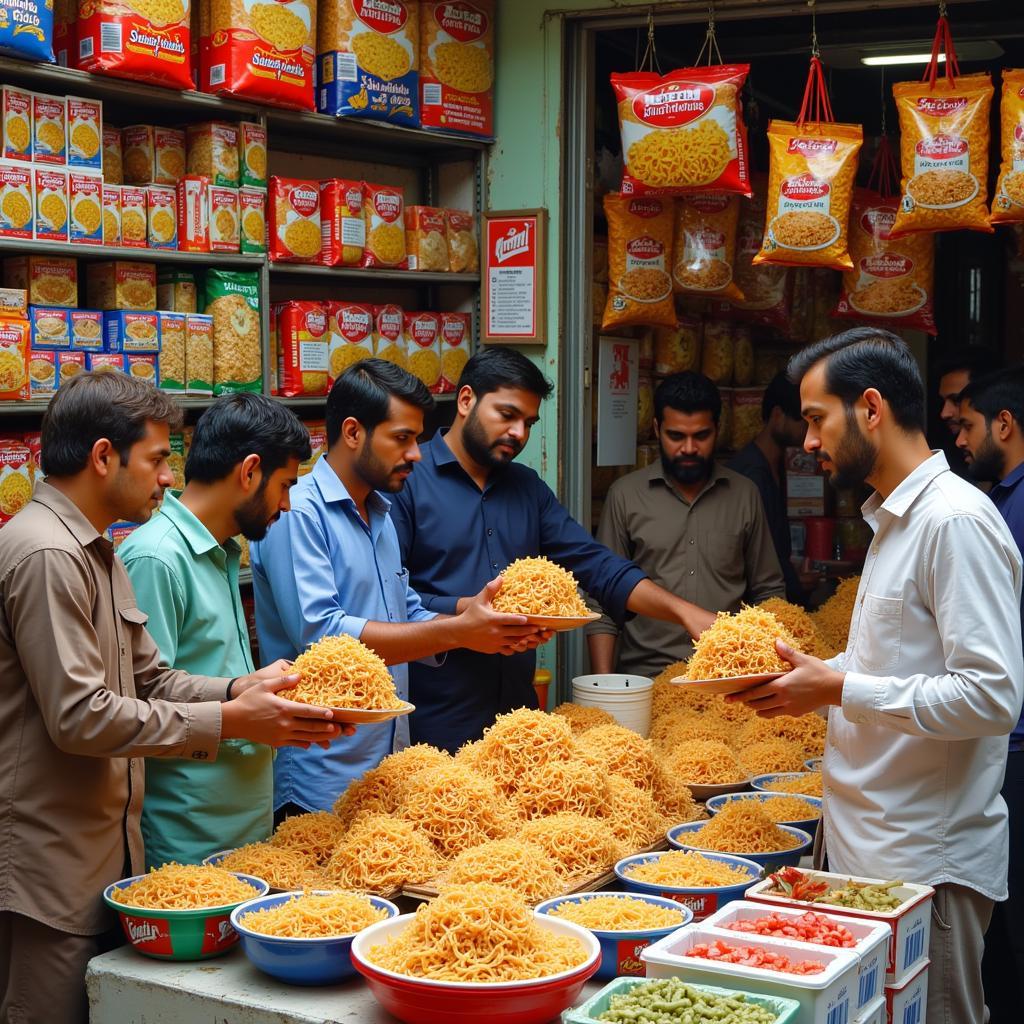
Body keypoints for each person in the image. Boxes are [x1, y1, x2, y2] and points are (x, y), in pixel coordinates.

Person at [0, 372, 344, 1024]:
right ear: (105, 457)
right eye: (158, 459)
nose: (167, 477)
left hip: (102, 861)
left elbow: (151, 679)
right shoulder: (47, 553)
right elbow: (79, 716)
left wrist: (243, 690)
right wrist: (228, 719)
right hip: (51, 874)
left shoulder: (97, 550)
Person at [730, 328, 1023, 1024]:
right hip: (871, 856)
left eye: (814, 419)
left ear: (869, 409)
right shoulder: (895, 522)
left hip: (927, 867)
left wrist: (836, 688)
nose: (807, 442)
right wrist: (811, 675)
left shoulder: (953, 522)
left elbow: (990, 696)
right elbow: (892, 666)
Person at [251, 359, 545, 815]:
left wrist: (482, 628)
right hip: (320, 777)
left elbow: (406, 610)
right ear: (353, 432)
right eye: (402, 438)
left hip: (387, 767)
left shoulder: (380, 512)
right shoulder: (298, 514)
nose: (416, 454)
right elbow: (323, 635)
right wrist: (457, 631)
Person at [390, 347, 716, 753]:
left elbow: (599, 566)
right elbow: (388, 603)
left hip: (519, 726)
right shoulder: (407, 483)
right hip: (433, 724)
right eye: (507, 415)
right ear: (466, 400)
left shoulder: (528, 489)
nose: (519, 434)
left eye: (528, 422)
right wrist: (463, 609)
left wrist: (684, 612)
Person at [120, 394, 315, 868]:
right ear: (249, 471)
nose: (287, 505)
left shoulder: (222, 551)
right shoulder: (157, 558)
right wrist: (240, 716)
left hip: (244, 831)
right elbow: (140, 705)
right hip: (187, 841)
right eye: (285, 486)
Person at [587, 372, 785, 678]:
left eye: (701, 436)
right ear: (656, 429)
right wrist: (604, 685)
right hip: (645, 678)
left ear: (717, 429)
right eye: (676, 436)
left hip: (727, 674)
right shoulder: (625, 495)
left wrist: (766, 670)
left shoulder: (745, 494)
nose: (689, 448)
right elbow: (602, 597)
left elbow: (769, 592)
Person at [955, 367, 1024, 1023]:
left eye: (969, 426)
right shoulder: (997, 498)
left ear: (1005, 424)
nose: (963, 440)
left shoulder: (998, 510)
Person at [729, 372, 814, 606]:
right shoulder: (751, 474)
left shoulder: (773, 465)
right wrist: (794, 585)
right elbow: (757, 554)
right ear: (778, 415)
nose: (807, 431)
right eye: (802, 421)